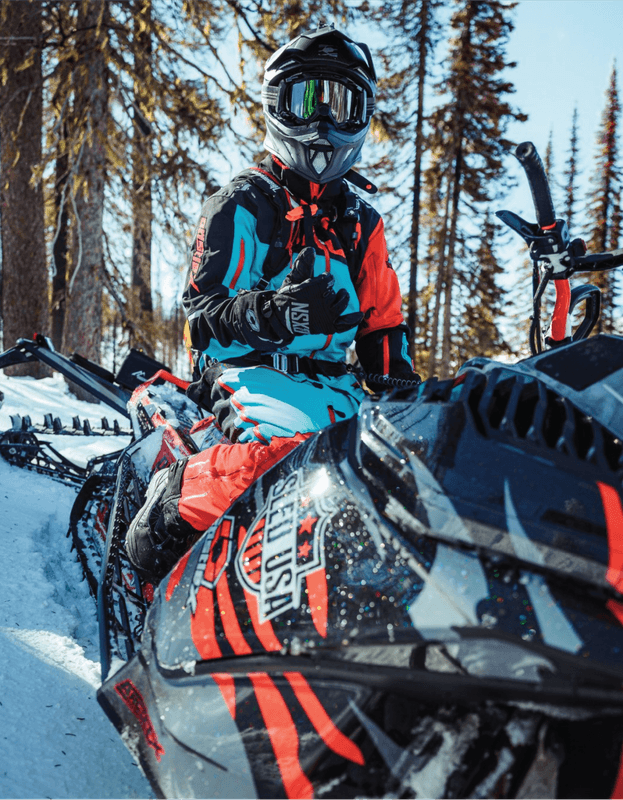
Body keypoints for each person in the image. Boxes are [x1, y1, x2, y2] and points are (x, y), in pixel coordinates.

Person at [125, 23, 420, 581]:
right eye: (306, 100)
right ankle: (169, 504)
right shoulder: (241, 204)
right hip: (247, 372)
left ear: (363, 115)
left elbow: (384, 329)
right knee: (284, 470)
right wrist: (279, 313)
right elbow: (203, 324)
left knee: (394, 482)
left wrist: (406, 387)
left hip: (334, 384)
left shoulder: (361, 223)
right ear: (276, 105)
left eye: (340, 104)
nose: (322, 123)